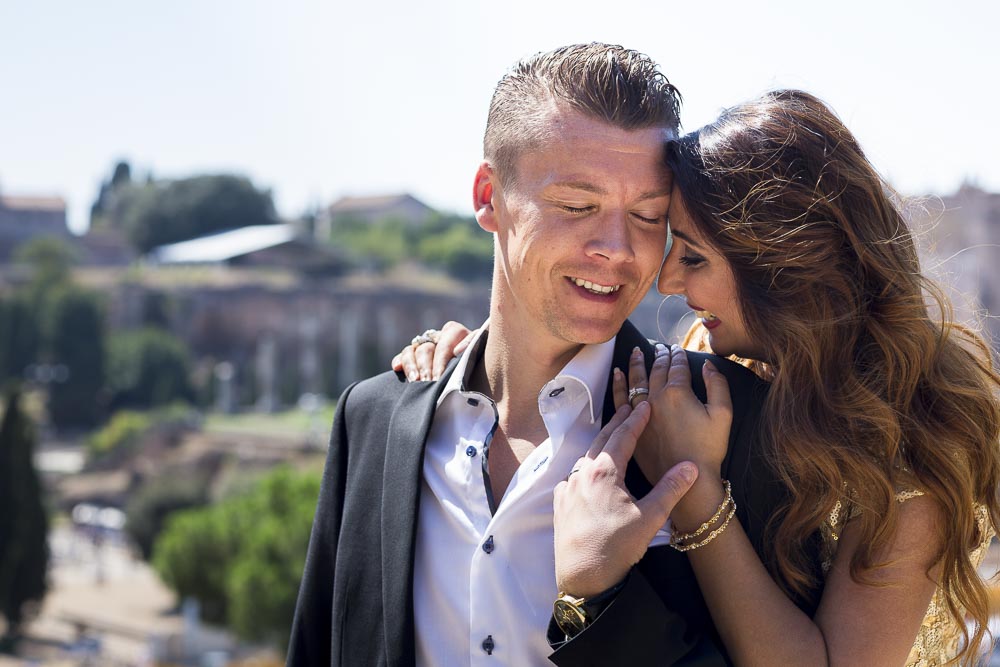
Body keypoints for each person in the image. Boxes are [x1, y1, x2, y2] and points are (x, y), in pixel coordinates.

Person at [404, 89, 1000, 665]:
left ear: (784, 268)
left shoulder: (911, 448)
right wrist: (470, 362)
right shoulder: (710, 369)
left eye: (691, 256)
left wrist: (692, 490)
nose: (666, 282)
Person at [289, 43, 793, 666]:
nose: (617, 248)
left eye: (647, 214)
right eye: (577, 206)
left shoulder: (734, 421)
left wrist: (599, 597)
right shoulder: (372, 419)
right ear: (488, 196)